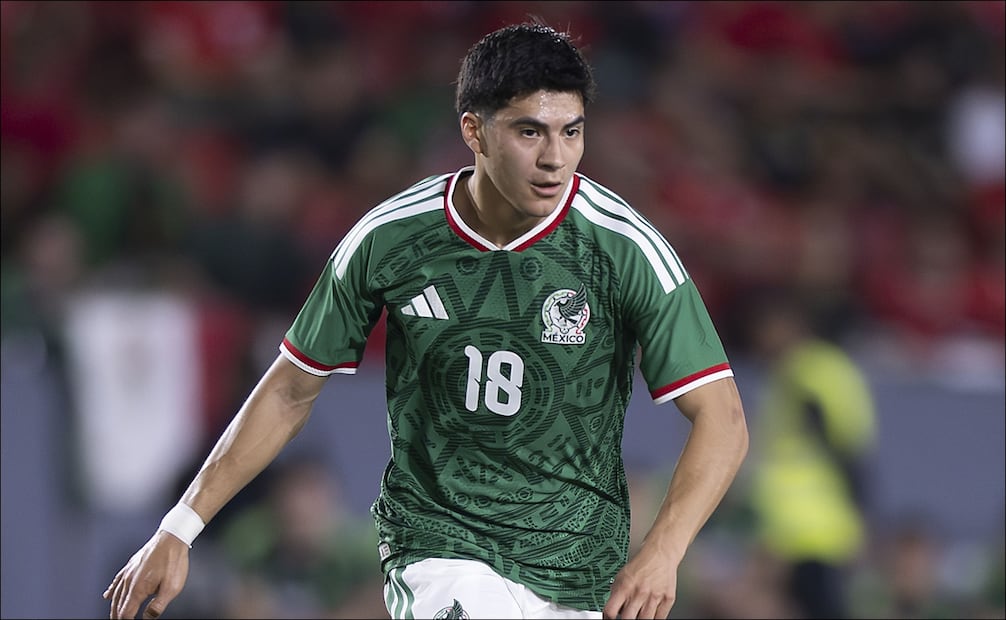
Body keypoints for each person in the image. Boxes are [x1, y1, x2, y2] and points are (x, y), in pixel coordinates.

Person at [103, 19, 748, 620]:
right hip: (441, 548)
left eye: (571, 131)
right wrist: (179, 527)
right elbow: (292, 386)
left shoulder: (622, 248)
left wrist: (663, 550)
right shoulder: (391, 241)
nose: (555, 157)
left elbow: (723, 418)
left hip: (579, 571)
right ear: (475, 132)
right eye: (530, 132)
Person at [743, 290, 877, 619]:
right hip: (792, 532)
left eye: (768, 329)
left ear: (791, 325)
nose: (762, 341)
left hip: (818, 531)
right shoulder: (789, 374)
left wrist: (862, 515)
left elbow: (845, 450)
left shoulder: (813, 372)